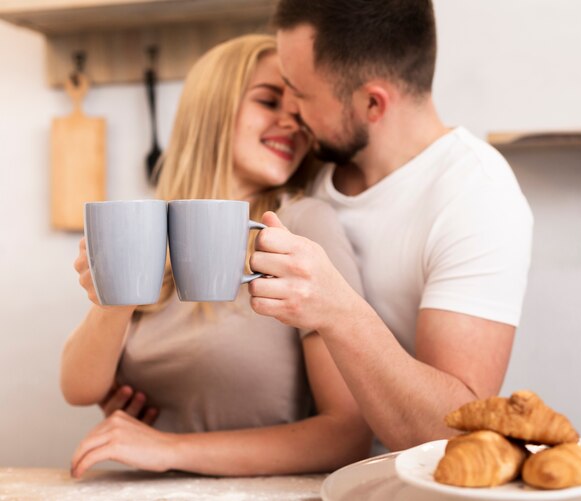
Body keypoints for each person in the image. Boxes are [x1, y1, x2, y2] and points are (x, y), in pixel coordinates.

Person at [60, 34, 371, 478]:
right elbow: (78, 387)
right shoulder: (150, 225)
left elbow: (347, 435)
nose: (293, 122)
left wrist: (168, 448)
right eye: (269, 101)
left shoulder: (300, 226)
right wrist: (112, 300)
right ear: (213, 105)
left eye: (300, 111)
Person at [248, 0, 534, 452]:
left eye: (301, 93)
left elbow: (457, 432)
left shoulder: (478, 194)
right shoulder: (307, 170)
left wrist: (338, 308)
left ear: (372, 103)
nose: (291, 112)